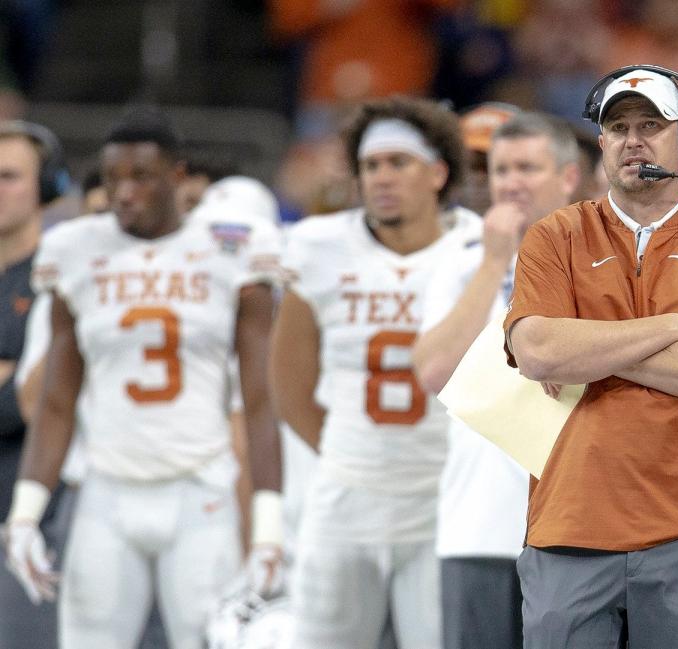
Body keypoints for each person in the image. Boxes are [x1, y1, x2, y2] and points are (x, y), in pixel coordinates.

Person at [504, 65, 678, 647]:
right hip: (570, 518)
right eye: (618, 126)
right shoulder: (554, 235)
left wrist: (585, 346)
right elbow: (536, 351)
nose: (633, 139)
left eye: (651, 124)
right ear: (600, 143)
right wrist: (677, 326)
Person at [1, 107, 284, 649]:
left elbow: (260, 397)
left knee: (205, 641)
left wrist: (267, 523)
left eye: (140, 177)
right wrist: (25, 513)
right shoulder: (76, 249)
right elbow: (58, 398)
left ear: (177, 177)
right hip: (105, 491)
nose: (123, 193)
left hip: (200, 489)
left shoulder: (233, 246)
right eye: (112, 180)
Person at [270, 96, 480, 649]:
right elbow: (288, 384)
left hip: (443, 501)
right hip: (345, 499)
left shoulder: (478, 249)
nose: (382, 177)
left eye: (398, 163)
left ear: (438, 172)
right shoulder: (318, 246)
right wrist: (352, 458)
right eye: (370, 165)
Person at [411, 112, 580, 649]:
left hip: (577, 521)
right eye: (501, 169)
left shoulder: (606, 261)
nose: (510, 183)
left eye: (527, 167)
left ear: (569, 178)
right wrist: (492, 264)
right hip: (478, 520)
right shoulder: (460, 263)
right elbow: (434, 371)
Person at [0, 120, 70, 649]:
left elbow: (38, 400)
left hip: (33, 503)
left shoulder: (64, 273)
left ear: (46, 188)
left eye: (9, 176)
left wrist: (19, 381)